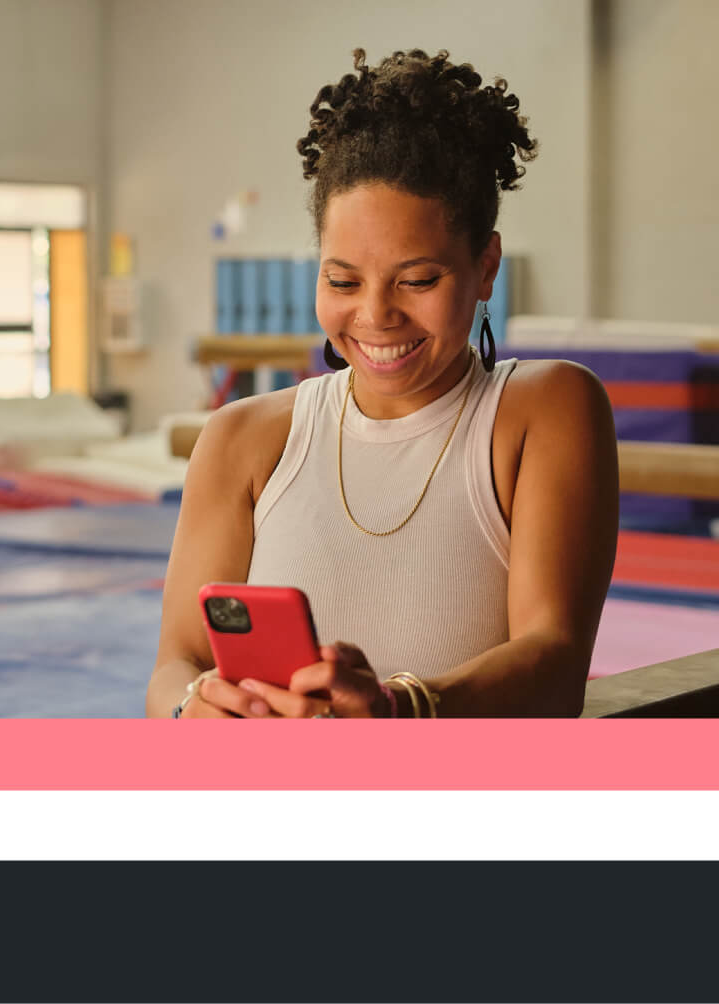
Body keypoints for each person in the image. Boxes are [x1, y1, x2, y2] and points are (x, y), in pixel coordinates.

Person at [148, 48, 619, 719]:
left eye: (417, 280)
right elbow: (175, 665)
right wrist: (195, 707)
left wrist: (398, 711)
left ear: (486, 267)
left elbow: (554, 659)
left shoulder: (544, 410)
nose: (375, 316)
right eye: (342, 281)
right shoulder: (241, 439)